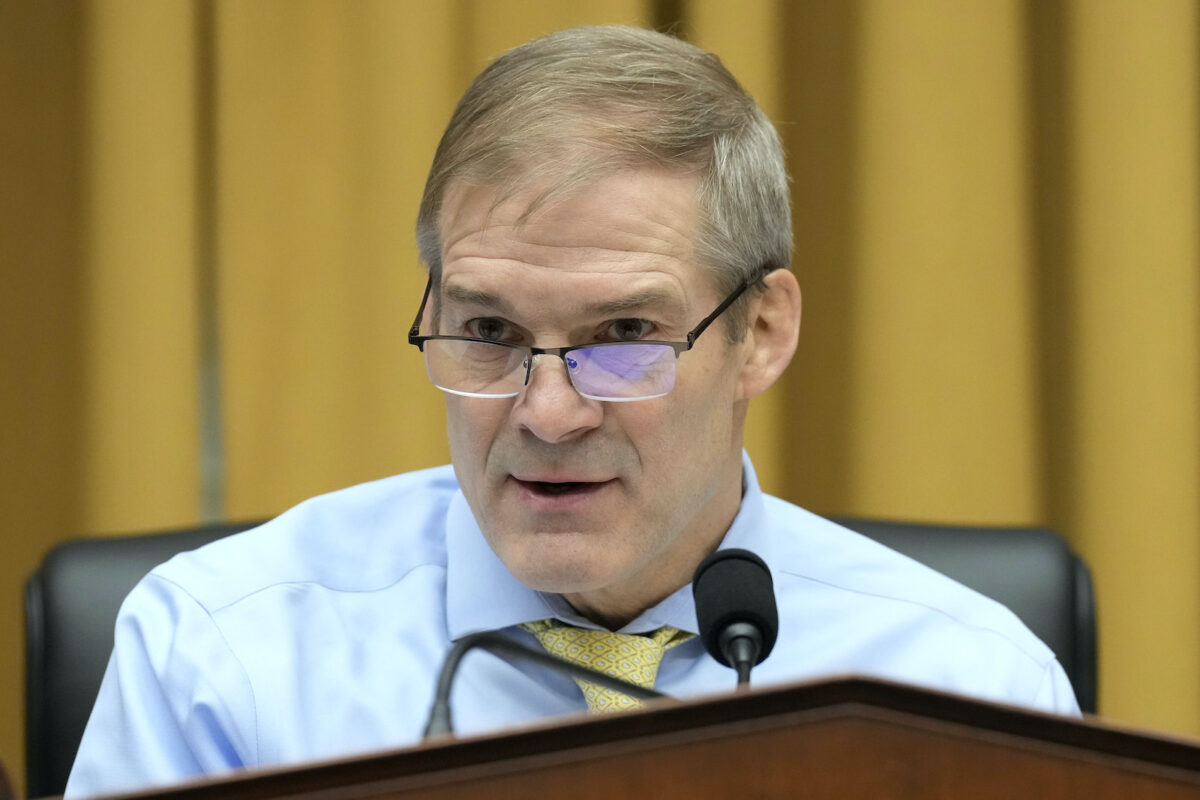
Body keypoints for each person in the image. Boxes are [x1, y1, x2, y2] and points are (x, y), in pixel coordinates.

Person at [65, 25, 1079, 798]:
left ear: (761, 331)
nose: (547, 414)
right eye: (491, 332)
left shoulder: (968, 687)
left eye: (625, 332)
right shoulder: (225, 652)